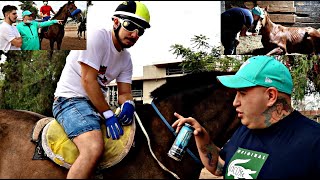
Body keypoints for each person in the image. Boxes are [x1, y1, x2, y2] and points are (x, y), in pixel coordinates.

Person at [172, 56, 320, 179]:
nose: (235, 102)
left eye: (242, 93)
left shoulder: (314, 142)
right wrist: (203, 138)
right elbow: (219, 166)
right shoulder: (245, 130)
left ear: (270, 96)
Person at [52, 1, 151, 179]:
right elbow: (88, 81)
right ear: (115, 22)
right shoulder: (97, 37)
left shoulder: (126, 59)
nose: (135, 34)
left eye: (141, 31)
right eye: (130, 26)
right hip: (69, 100)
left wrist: (129, 104)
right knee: (93, 147)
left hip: (94, 105)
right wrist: (108, 114)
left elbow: (124, 93)